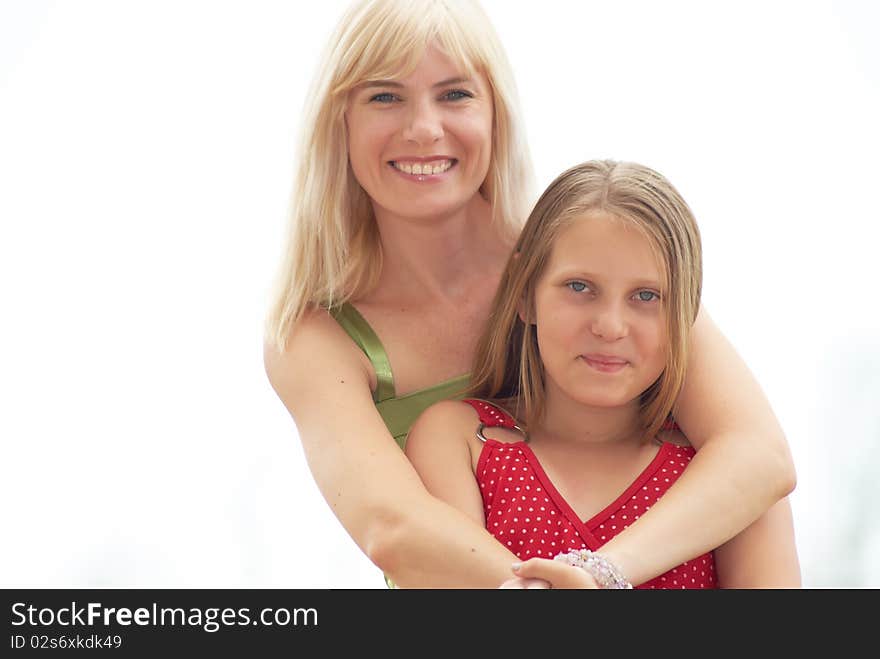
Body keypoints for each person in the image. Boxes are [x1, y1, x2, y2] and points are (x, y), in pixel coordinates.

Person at [263, 0, 795, 588]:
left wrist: (601, 576)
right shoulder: (314, 336)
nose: (422, 128)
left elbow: (758, 458)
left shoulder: (590, 256)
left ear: (497, 113)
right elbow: (392, 528)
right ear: (338, 120)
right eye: (384, 96)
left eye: (455, 94)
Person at [404, 160, 801, 588]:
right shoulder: (461, 441)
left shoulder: (730, 481)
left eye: (646, 295)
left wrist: (601, 578)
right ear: (525, 292)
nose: (610, 326)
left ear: (686, 315)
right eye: (579, 287)